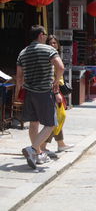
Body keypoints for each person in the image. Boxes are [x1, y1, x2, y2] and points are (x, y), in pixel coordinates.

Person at [16, 25, 64, 169]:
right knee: (51, 124)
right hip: (44, 92)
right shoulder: (49, 50)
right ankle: (32, 149)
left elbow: (19, 77)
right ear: (41, 35)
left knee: (34, 123)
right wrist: (56, 81)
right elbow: (60, 67)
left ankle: (37, 154)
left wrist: (19, 93)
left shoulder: (23, 53)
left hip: (29, 92)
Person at [40, 35, 74, 157]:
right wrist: (57, 92)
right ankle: (42, 145)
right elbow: (53, 77)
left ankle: (60, 143)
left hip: (57, 90)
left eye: (55, 43)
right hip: (53, 91)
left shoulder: (56, 56)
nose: (53, 45)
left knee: (57, 118)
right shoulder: (49, 57)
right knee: (57, 119)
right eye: (50, 43)